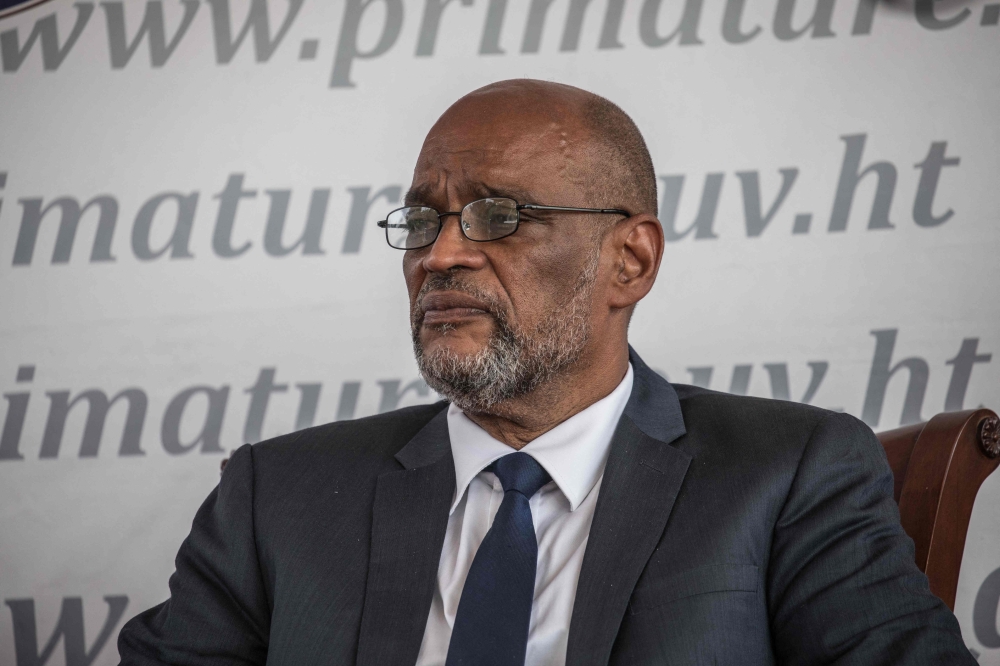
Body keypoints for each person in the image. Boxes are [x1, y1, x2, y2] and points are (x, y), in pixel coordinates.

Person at [118, 80, 974, 666]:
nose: (442, 253)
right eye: (422, 220)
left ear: (629, 261)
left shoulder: (788, 472)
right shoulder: (281, 494)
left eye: (500, 215)